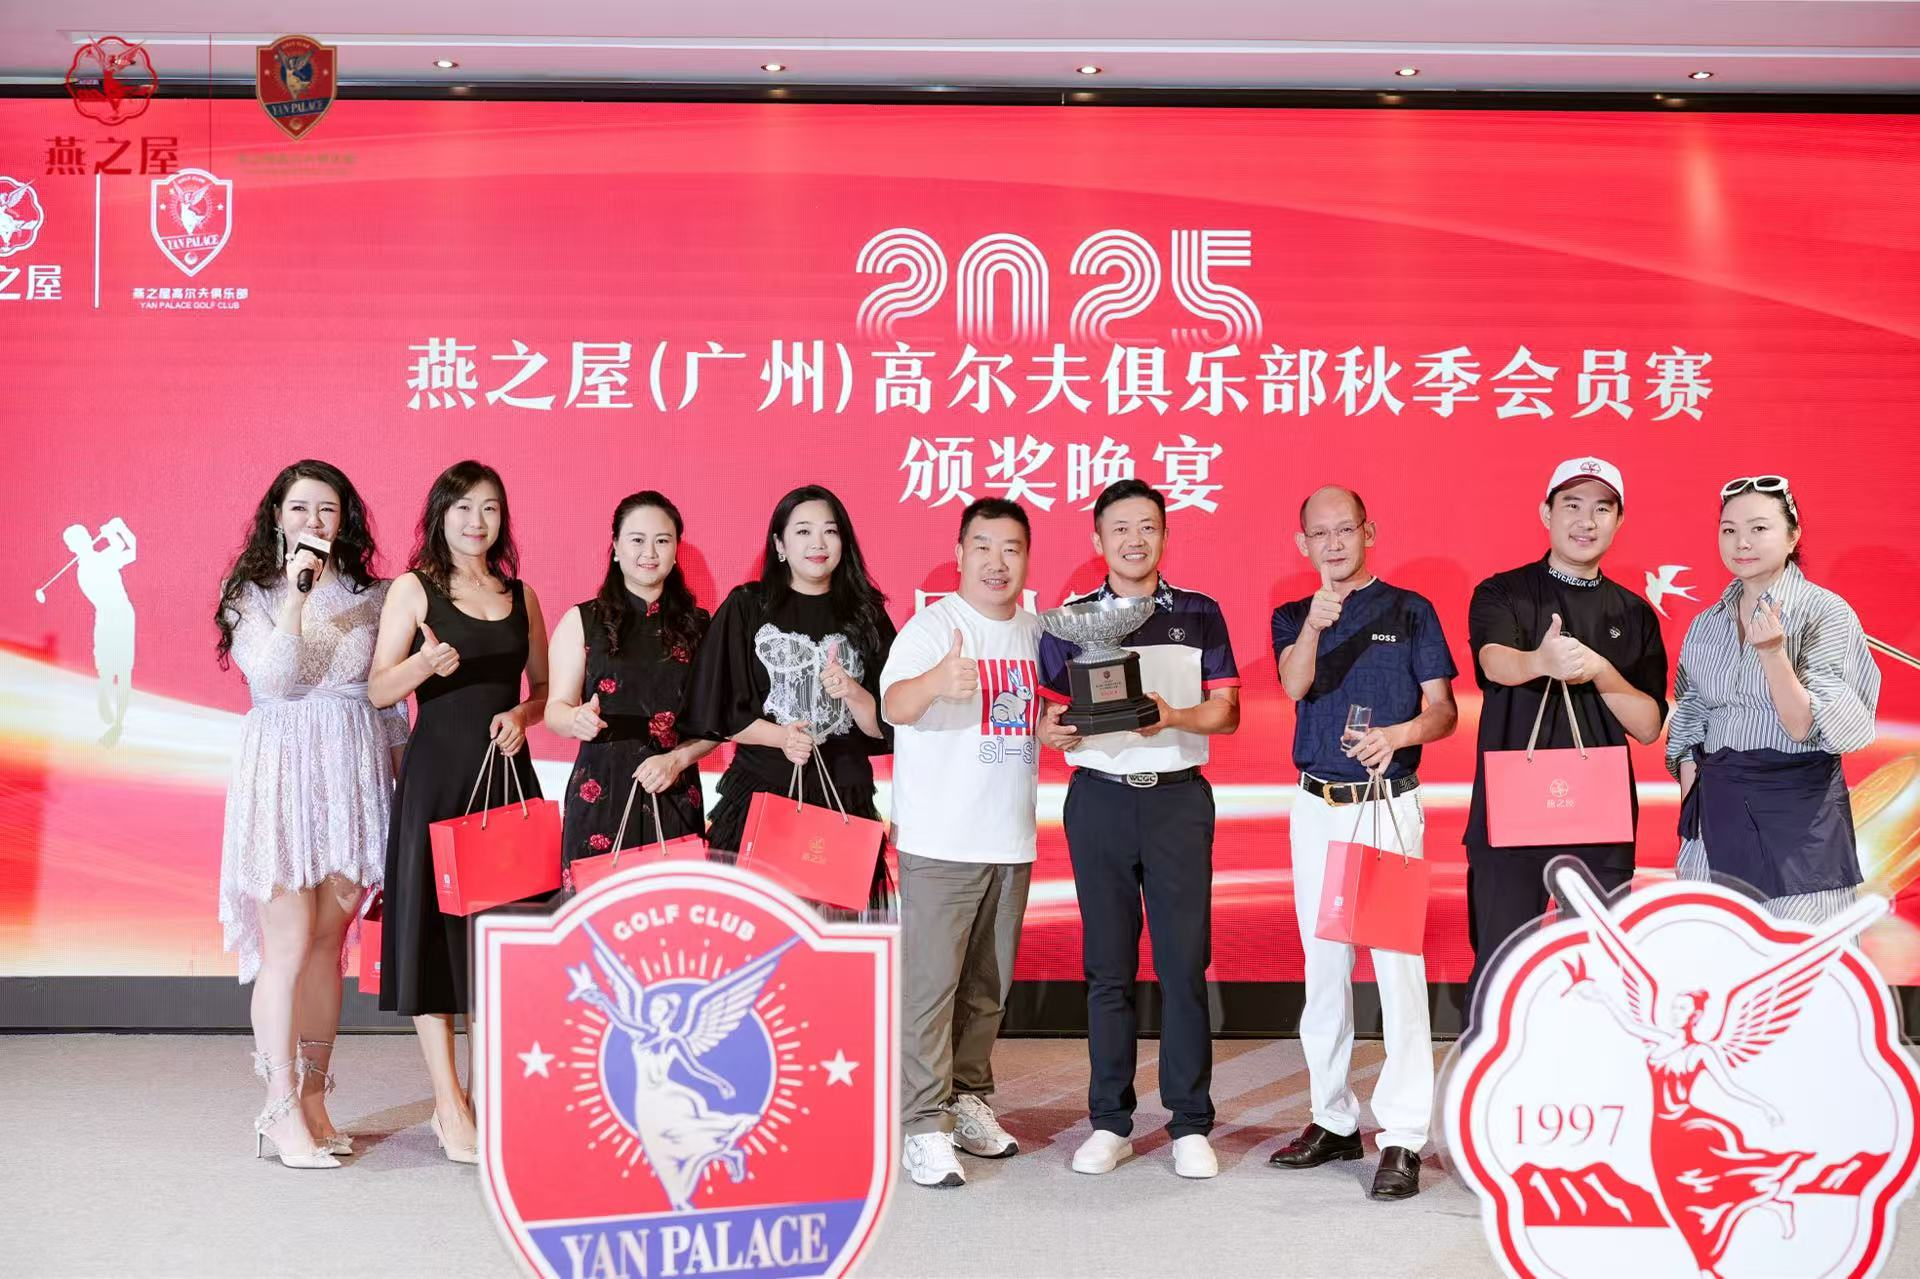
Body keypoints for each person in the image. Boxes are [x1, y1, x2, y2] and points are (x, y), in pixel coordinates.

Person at [1036, 478, 1240, 1180]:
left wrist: (1172, 716)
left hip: (1178, 802)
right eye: (1120, 527)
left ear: (1165, 535)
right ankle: (1109, 1120)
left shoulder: (1200, 612)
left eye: (1147, 526)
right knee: (1108, 966)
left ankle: (1189, 1121)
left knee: (1183, 964)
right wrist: (1052, 731)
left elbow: (1227, 712)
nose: (1134, 539)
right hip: (1099, 801)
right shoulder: (1071, 621)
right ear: (1098, 539)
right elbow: (1050, 716)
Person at [215, 460, 407, 1168]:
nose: (313, 521)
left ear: (344, 518)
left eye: (327, 509)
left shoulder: (375, 596)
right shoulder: (252, 595)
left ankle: (317, 1096)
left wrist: (400, 786)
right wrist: (296, 595)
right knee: (288, 944)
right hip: (282, 778)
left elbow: (389, 705)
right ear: (277, 516)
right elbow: (272, 677)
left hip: (351, 777)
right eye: (299, 508)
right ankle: (279, 1107)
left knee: (330, 945)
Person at [1267, 486, 1457, 1200]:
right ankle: (1332, 1118)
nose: (1334, 544)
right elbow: (1293, 686)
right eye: (1320, 534)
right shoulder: (1293, 614)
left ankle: (1403, 1135)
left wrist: (1399, 734)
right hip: (1316, 807)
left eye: (1345, 530)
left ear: (1367, 532)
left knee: (1397, 972)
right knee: (1324, 969)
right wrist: (1315, 628)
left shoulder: (1411, 610)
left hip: (1386, 805)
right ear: (1303, 544)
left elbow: (1443, 711)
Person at [370, 460, 549, 1164]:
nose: (478, 521)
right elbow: (379, 689)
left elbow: (544, 691)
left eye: (491, 508)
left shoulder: (521, 594)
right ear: (440, 515)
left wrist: (523, 716)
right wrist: (424, 665)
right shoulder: (414, 589)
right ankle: (448, 1104)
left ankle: (488, 1093)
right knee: (433, 935)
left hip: (505, 778)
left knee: (499, 938)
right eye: (464, 507)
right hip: (437, 778)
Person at [1464, 457, 1667, 1012]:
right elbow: (1494, 662)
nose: (1586, 521)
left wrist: (1598, 669)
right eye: (1572, 505)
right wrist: (1541, 660)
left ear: (1618, 521)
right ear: (1546, 513)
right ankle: (1497, 1069)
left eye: (1601, 508)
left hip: (1600, 819)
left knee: (1597, 971)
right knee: (1503, 969)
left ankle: (1591, 1067)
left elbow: (1648, 725)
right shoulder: (1503, 592)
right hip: (1511, 815)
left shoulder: (1635, 613)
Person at [881, 497, 1042, 1189]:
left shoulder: (1037, 631)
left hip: (1011, 839)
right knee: (930, 991)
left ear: (1026, 558)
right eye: (983, 546)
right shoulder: (932, 627)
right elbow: (893, 705)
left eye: (1011, 548)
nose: (997, 562)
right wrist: (935, 681)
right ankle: (923, 1124)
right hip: (941, 843)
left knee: (987, 990)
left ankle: (968, 1097)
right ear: (960, 553)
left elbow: (1041, 717)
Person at [1667, 476, 1879, 923]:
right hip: (1716, 821)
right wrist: (1695, 817)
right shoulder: (1707, 623)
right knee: (1714, 951)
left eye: (1759, 528)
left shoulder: (1825, 612)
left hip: (1798, 818)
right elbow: (1691, 719)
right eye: (1729, 530)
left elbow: (1805, 726)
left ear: (1793, 535)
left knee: (1801, 954)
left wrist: (1773, 654)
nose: (1741, 543)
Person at [685, 485, 896, 914]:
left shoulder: (866, 614)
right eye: (803, 531)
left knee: (834, 933)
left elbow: (887, 725)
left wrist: (853, 692)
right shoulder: (748, 606)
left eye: (830, 531)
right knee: (758, 928)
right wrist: (781, 737)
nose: (818, 543)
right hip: (765, 794)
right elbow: (722, 711)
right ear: (780, 545)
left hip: (844, 796)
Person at [545, 492, 719, 878]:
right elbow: (555, 709)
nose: (649, 552)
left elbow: (716, 724)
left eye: (662, 540)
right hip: (600, 790)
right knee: (597, 910)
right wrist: (574, 719)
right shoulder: (582, 620)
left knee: (669, 909)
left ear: (676, 550)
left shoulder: (701, 626)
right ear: (616, 547)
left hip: (673, 789)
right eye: (637, 539)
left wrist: (678, 760)